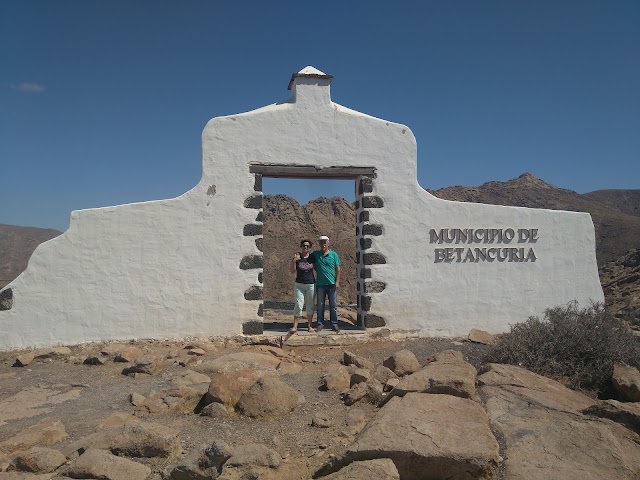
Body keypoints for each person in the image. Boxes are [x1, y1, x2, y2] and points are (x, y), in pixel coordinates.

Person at [311, 235, 341, 333]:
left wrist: (337, 282)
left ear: (328, 243)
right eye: (321, 242)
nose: (323, 244)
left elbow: (338, 269)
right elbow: (308, 258)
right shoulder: (316, 254)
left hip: (332, 284)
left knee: (333, 305)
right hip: (320, 284)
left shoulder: (334, 255)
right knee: (320, 305)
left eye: (324, 242)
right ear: (319, 244)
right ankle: (320, 323)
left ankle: (334, 323)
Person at [289, 239, 316, 334]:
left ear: (310, 248)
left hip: (310, 284)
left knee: (310, 305)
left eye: (307, 246)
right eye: (304, 246)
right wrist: (294, 261)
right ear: (301, 247)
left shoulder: (312, 257)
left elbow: (317, 268)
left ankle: (310, 326)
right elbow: (292, 271)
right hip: (299, 284)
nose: (305, 247)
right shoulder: (297, 257)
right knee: (299, 304)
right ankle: (295, 326)